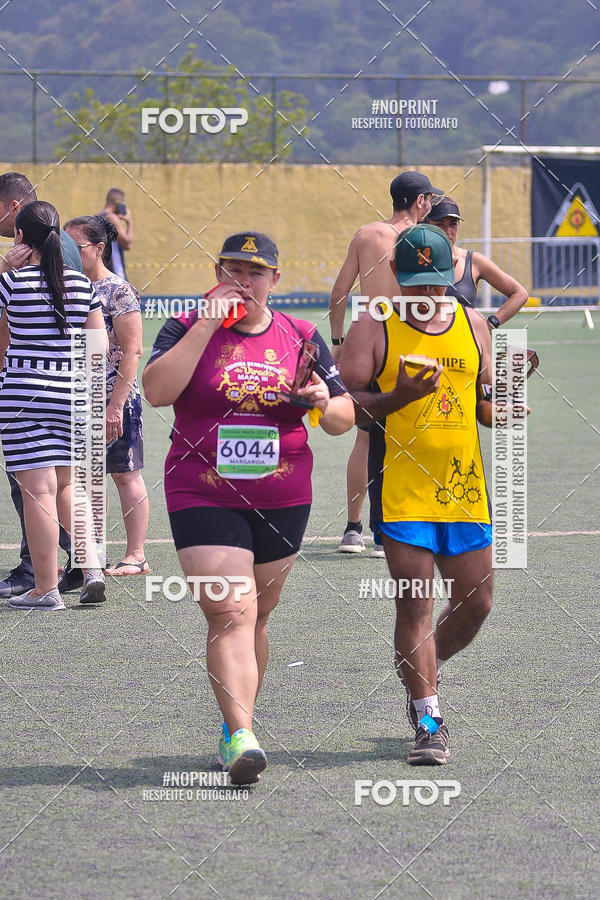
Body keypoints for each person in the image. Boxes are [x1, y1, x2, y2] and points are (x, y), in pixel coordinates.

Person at [143, 231, 354, 784]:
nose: (243, 281)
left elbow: (343, 418)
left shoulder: (300, 335)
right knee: (230, 611)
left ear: (275, 280)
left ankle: (237, 727)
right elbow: (157, 391)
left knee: (257, 614)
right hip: (202, 491)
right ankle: (241, 736)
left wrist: (322, 400)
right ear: (217, 274)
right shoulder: (185, 326)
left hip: (283, 495)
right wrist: (206, 325)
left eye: (255, 272)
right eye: (233, 270)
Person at [339, 223, 494, 765]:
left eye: (436, 281)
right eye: (415, 281)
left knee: (477, 604)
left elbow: (484, 405)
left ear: (453, 273)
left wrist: (503, 407)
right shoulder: (372, 326)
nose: (427, 292)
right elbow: (344, 409)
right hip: (402, 488)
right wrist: (399, 395)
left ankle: (421, 667)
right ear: (394, 274)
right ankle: (428, 718)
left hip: (464, 488)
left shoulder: (475, 324)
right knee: (415, 605)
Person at [328, 171, 444, 557]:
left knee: (364, 437)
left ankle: (353, 529)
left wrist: (338, 342)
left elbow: (339, 292)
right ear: (420, 201)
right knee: (412, 435)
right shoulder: (422, 239)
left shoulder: (366, 234)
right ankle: (395, 528)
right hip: (409, 341)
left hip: (368, 339)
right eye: (429, 199)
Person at [0, 201, 108, 610]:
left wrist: (4, 268)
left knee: (37, 492)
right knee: (68, 487)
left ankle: (45, 589)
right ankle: (92, 568)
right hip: (72, 395)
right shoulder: (82, 285)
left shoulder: (12, 282)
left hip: (23, 394)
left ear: (20, 237)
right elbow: (98, 348)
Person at [64, 215, 150, 576]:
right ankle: (91, 554)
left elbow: (132, 351)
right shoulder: (66, 286)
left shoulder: (118, 291)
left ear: (99, 248)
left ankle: (136, 555)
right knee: (83, 479)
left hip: (116, 396)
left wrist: (115, 406)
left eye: (75, 246)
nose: (66, 252)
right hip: (75, 397)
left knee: (124, 474)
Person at [424, 197, 529, 327]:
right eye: (440, 224)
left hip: (463, 339)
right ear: (426, 226)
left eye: (453, 224)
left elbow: (520, 294)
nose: (448, 231)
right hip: (423, 338)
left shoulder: (473, 261)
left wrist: (491, 324)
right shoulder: (414, 260)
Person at [101, 188, 133, 280]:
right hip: (115, 273)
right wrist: (129, 222)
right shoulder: (111, 217)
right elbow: (127, 244)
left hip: (102, 272)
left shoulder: (95, 217)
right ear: (118, 203)